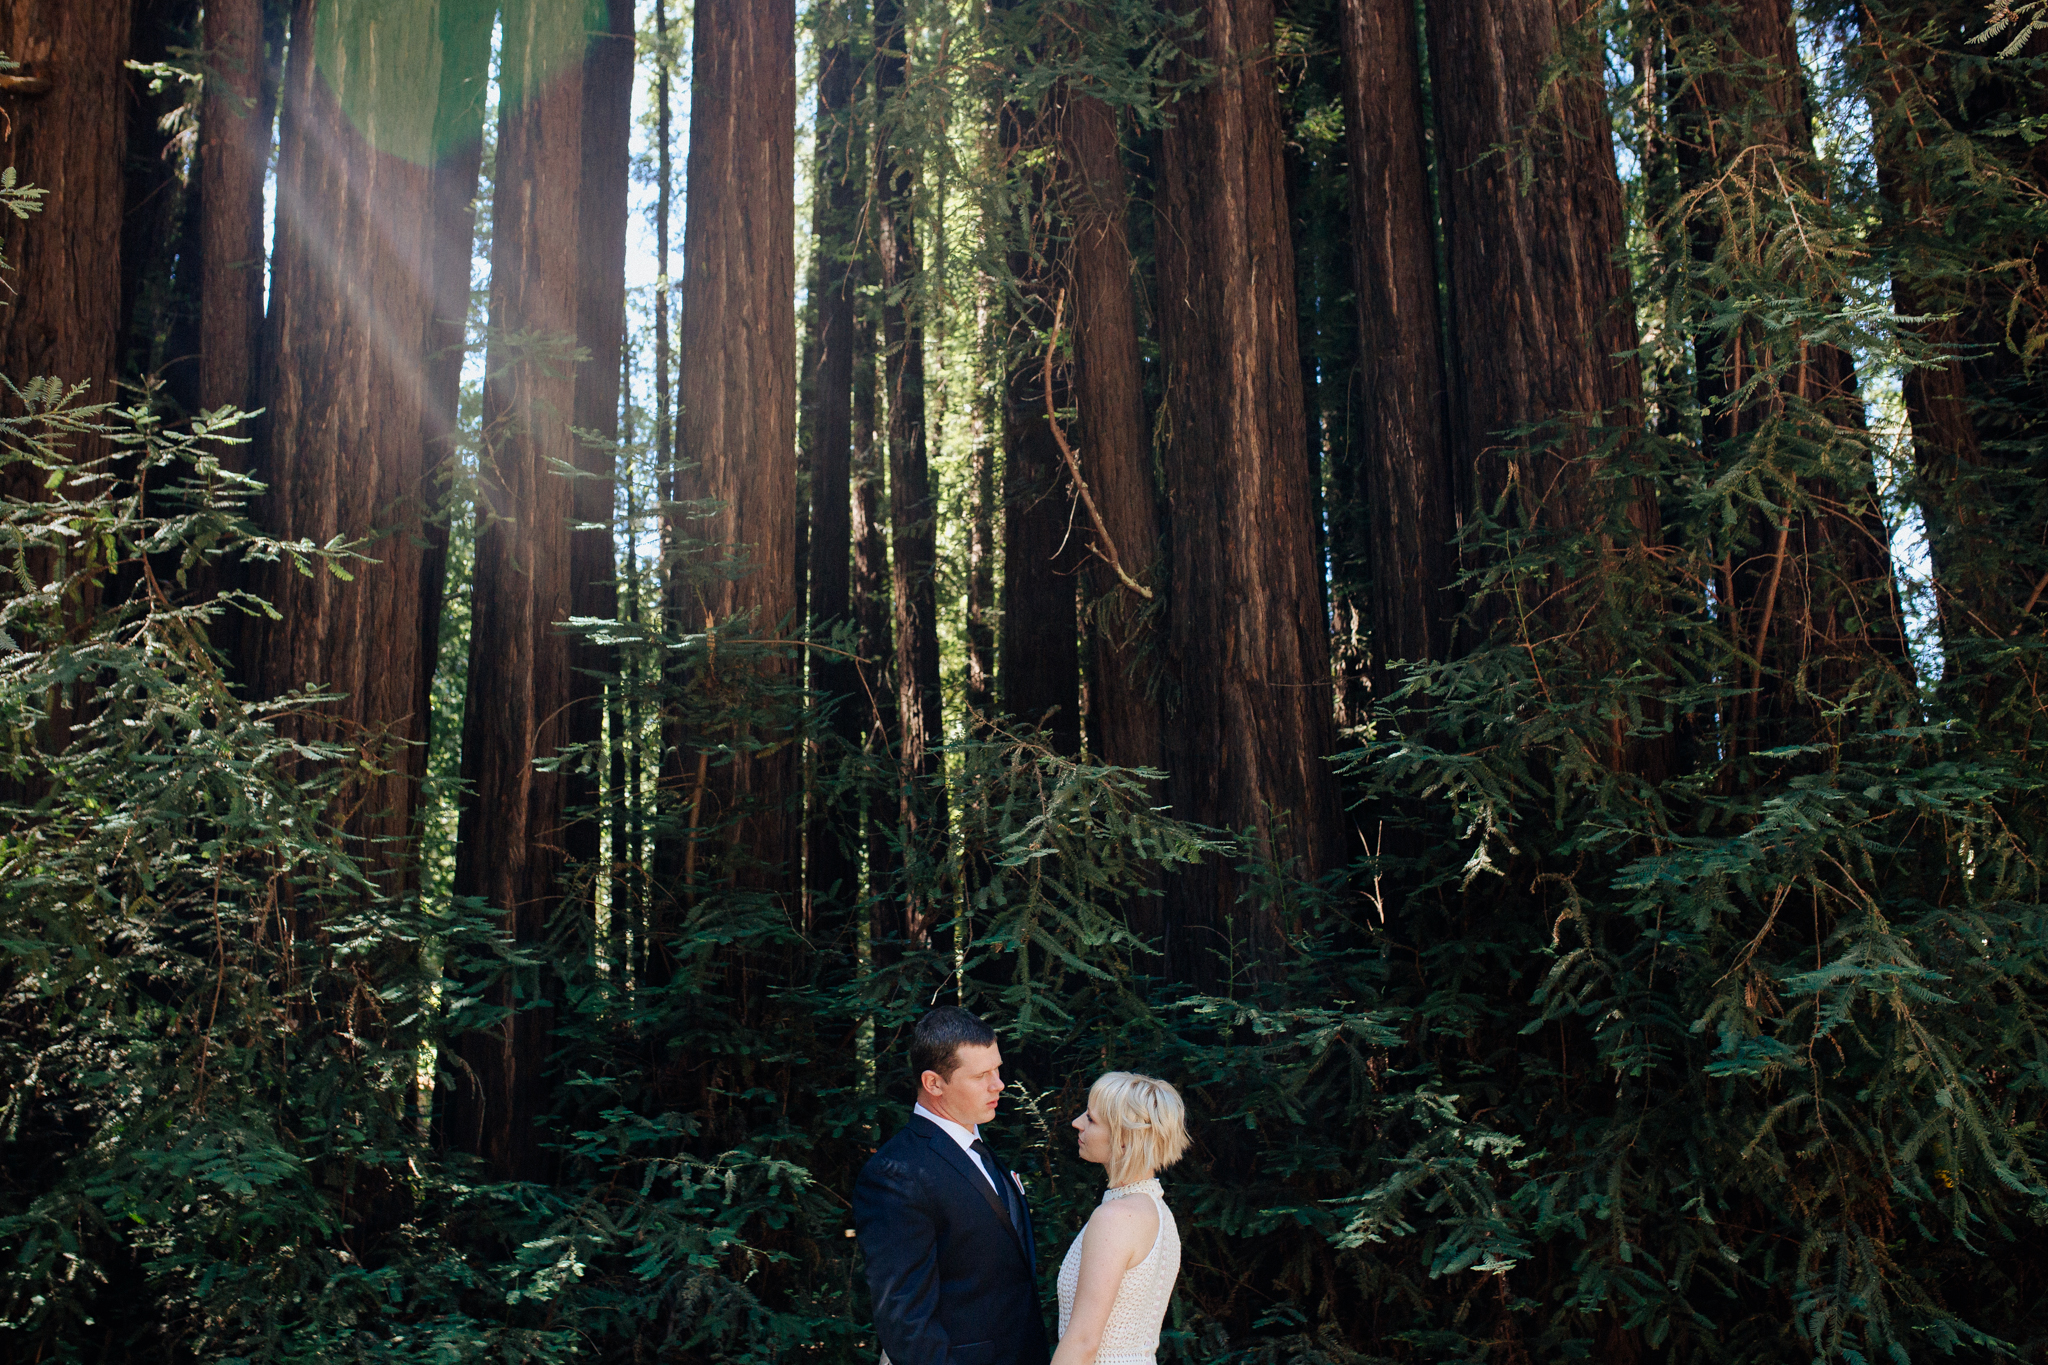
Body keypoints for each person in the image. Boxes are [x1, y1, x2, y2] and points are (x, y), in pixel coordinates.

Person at [854, 1007, 1051, 1365]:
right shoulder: (896, 1174)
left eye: (997, 1069)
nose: (999, 1084)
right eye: (981, 1075)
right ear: (934, 1083)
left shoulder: (980, 1148)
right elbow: (905, 1323)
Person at [1052, 1073, 1189, 1365]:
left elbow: (1084, 1342)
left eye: (1091, 1119)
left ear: (1125, 1140)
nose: (1077, 1123)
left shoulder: (1116, 1217)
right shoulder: (1156, 1211)